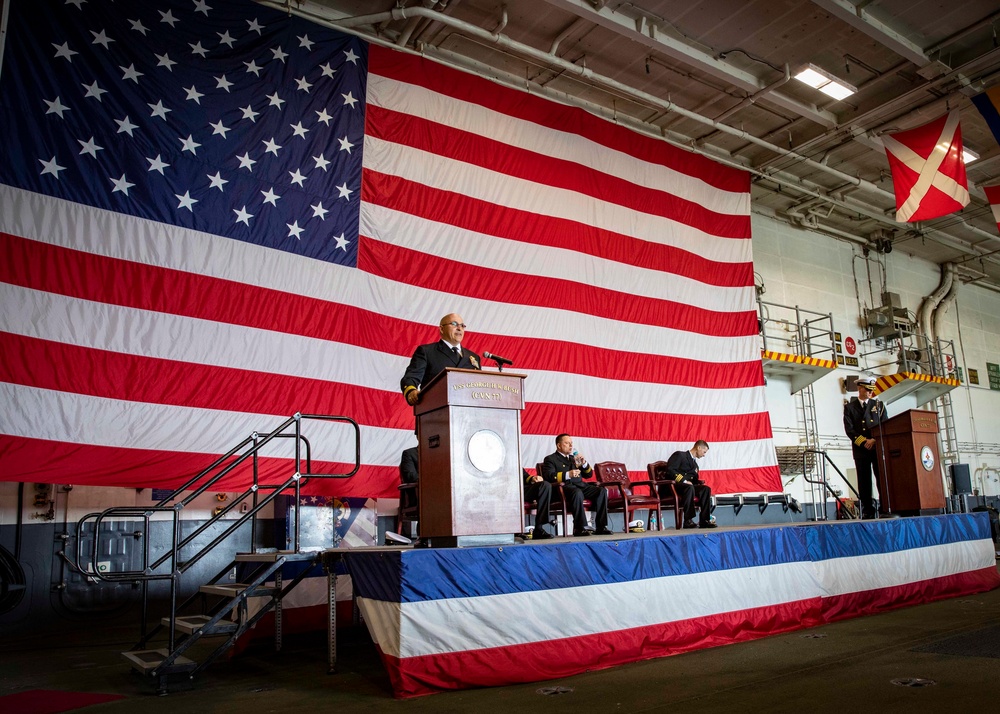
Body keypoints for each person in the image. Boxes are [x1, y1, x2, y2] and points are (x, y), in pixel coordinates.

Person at [400, 313, 481, 405]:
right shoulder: (427, 352)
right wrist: (411, 391)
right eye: (454, 324)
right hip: (436, 410)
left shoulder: (474, 357)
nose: (459, 328)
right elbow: (411, 377)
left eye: (462, 325)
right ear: (442, 329)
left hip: (468, 411)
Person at [541, 434, 613, 536]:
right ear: (559, 446)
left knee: (601, 491)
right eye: (567, 443)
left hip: (580, 486)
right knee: (577, 492)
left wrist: (584, 463)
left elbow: (588, 475)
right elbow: (549, 476)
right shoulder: (551, 459)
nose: (570, 445)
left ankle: (601, 527)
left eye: (571, 443)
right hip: (564, 488)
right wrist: (567, 474)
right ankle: (580, 528)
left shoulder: (573, 458)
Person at [843, 376, 888, 519]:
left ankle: (884, 507)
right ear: (860, 388)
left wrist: (874, 440)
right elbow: (850, 430)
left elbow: (885, 425)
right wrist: (864, 442)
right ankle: (868, 510)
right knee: (864, 481)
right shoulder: (850, 408)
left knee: (881, 478)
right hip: (860, 450)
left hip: (876, 448)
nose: (870, 393)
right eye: (867, 390)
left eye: (871, 391)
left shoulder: (879, 406)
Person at [660, 440, 717, 529]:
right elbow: (670, 470)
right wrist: (684, 481)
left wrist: (698, 484)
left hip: (687, 487)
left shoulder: (695, 465)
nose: (704, 455)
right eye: (704, 452)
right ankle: (688, 520)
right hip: (673, 486)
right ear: (698, 448)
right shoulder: (680, 455)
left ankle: (704, 520)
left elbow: (694, 480)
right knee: (689, 487)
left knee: (706, 489)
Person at [523, 468, 555, 540]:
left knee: (545, 485)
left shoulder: (514, 461)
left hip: (521, 490)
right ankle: (514, 531)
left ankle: (539, 528)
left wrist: (533, 478)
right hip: (504, 490)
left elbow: (525, 476)